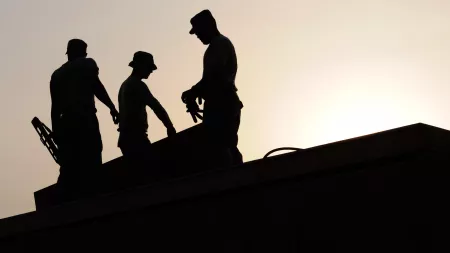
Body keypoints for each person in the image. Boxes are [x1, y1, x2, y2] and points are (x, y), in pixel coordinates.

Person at [50, 39, 119, 198]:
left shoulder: (57, 75)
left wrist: (56, 132)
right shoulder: (86, 64)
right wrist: (112, 107)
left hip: (65, 124)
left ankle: (62, 202)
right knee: (92, 154)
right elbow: (97, 87)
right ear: (81, 52)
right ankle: (94, 194)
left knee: (69, 165)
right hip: (85, 119)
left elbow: (55, 108)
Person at [182, 9, 244, 167]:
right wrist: (195, 92)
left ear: (208, 26)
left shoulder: (220, 44)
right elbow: (210, 79)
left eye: (198, 32)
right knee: (224, 145)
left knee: (220, 146)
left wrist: (194, 92)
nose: (197, 36)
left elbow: (214, 77)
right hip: (218, 103)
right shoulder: (215, 46)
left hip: (223, 103)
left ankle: (232, 181)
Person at [118, 51, 176, 162]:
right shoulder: (137, 84)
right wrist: (169, 126)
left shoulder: (125, 85)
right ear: (140, 66)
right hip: (135, 137)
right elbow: (156, 106)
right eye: (149, 67)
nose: (151, 71)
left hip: (126, 138)